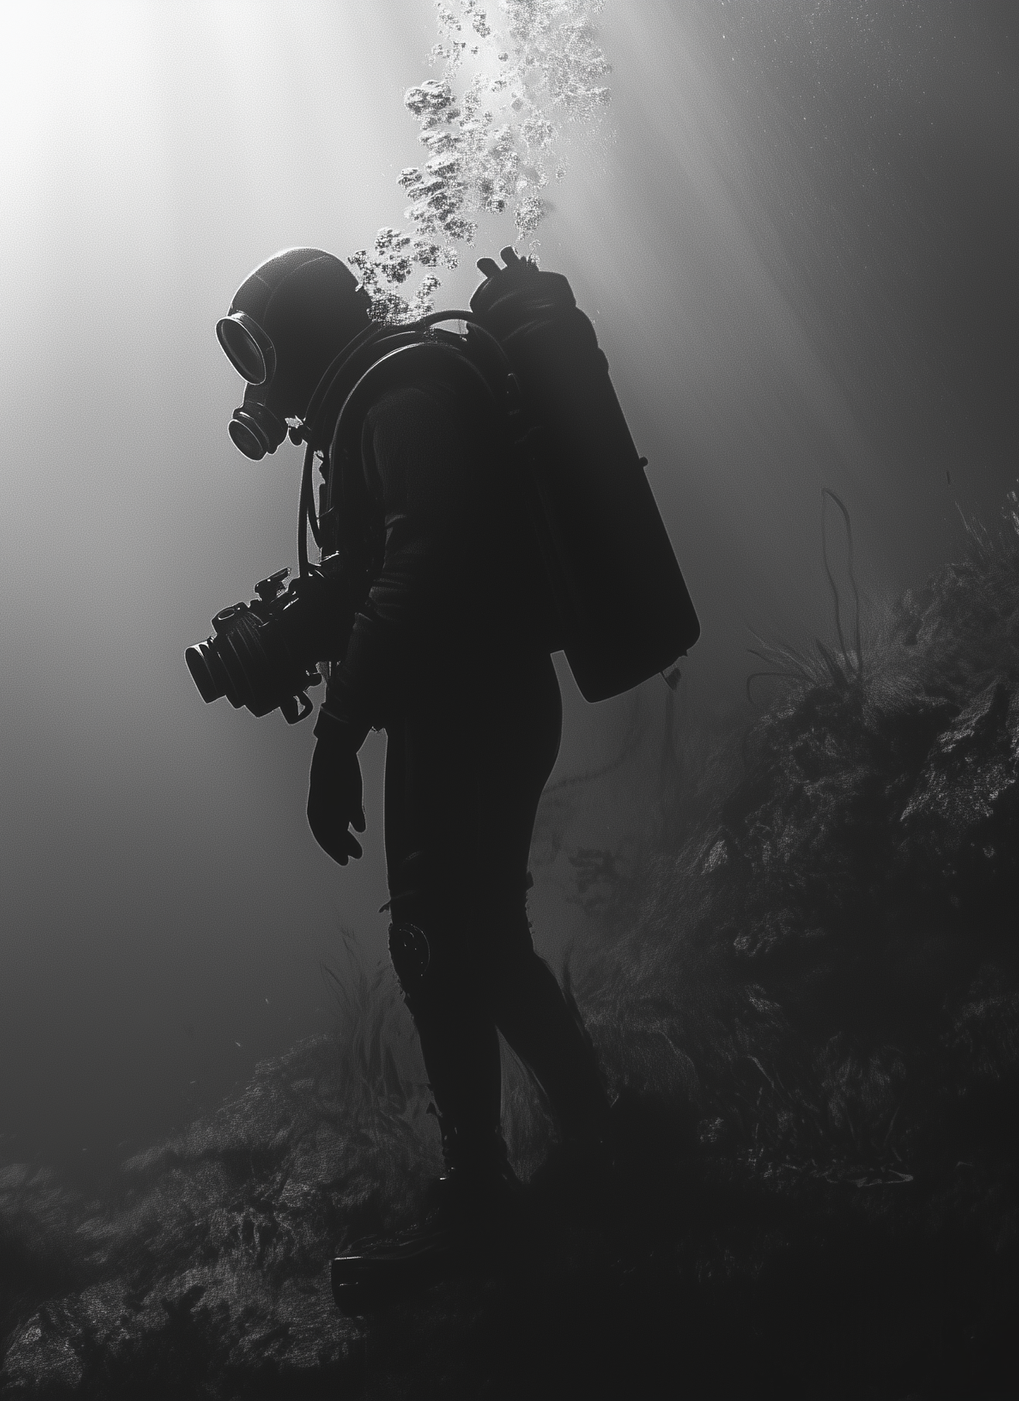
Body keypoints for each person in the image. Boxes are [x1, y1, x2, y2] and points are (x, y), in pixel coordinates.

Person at [213, 248, 623, 1279]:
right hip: (464, 703)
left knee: (444, 943)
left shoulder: (398, 395)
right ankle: (586, 1144)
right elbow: (385, 567)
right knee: (474, 942)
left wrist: (338, 731)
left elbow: (423, 560)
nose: (259, 384)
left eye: (261, 352)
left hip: (474, 705)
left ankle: (487, 1196)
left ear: (303, 334)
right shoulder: (381, 400)